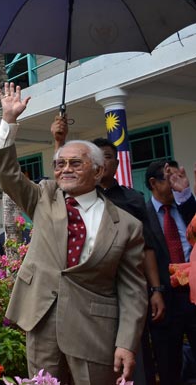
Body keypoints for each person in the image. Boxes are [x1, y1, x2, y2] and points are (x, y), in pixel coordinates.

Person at [0, 82, 146, 384]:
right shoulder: (44, 196)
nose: (65, 169)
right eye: (60, 164)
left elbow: (132, 291)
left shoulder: (128, 226)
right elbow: (8, 174)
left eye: (75, 163)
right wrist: (9, 121)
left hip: (94, 328)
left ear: (98, 171)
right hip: (41, 319)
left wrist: (127, 343)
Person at [52, 118, 166, 385]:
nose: (69, 169)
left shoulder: (130, 204)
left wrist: (156, 290)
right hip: (68, 308)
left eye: (108, 158)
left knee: (122, 364)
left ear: (105, 166)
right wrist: (58, 141)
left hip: (112, 303)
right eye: (65, 163)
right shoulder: (63, 200)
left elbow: (145, 252)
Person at [144, 160, 196, 385]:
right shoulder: (143, 214)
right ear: (154, 183)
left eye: (178, 177)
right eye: (170, 178)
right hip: (164, 300)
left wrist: (185, 193)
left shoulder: (187, 206)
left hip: (193, 295)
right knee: (169, 367)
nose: (175, 183)